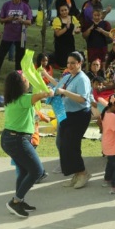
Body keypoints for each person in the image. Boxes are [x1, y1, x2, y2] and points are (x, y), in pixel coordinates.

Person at [0, 71, 53, 218]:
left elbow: (33, 108)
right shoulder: (24, 99)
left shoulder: (13, 99)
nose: (27, 81)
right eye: (25, 79)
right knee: (36, 171)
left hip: (10, 139)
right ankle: (15, 202)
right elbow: (38, 96)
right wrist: (48, 93)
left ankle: (20, 201)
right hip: (17, 140)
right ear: (19, 84)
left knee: (24, 171)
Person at [41, 51, 93, 189]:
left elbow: (83, 99)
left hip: (79, 115)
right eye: (68, 62)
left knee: (71, 145)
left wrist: (65, 93)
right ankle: (76, 174)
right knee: (63, 145)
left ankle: (83, 173)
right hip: (66, 114)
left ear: (80, 63)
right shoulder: (69, 76)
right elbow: (58, 86)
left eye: (73, 63)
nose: (69, 65)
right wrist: (48, 88)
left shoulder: (83, 79)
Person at [0, 0, 33, 81]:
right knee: (0, 55)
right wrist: (8, 19)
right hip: (8, 35)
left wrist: (22, 20)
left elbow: (29, 22)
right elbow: (1, 20)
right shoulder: (6, 5)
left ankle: (18, 78)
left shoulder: (25, 7)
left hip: (21, 36)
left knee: (19, 58)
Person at [52, 4, 81, 69]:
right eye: (62, 10)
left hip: (70, 42)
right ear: (59, 11)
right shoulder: (57, 19)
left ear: (68, 10)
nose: (64, 12)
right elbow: (58, 34)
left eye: (65, 10)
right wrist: (66, 27)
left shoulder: (73, 18)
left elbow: (78, 28)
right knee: (62, 62)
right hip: (60, 43)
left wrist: (77, 30)